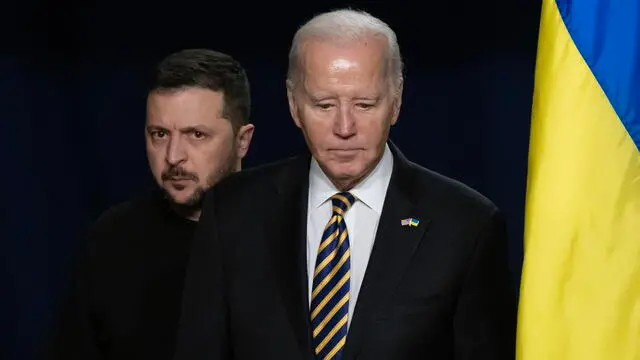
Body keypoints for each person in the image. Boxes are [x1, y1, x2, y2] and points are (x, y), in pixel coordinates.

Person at [174, 9, 516, 360]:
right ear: (294, 105)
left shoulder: (465, 226)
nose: (344, 127)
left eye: (365, 105)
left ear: (396, 103)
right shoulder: (233, 211)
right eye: (323, 105)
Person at [46, 49, 255, 360]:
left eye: (196, 135)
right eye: (159, 134)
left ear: (242, 141)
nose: (173, 156)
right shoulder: (112, 240)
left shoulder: (284, 234)